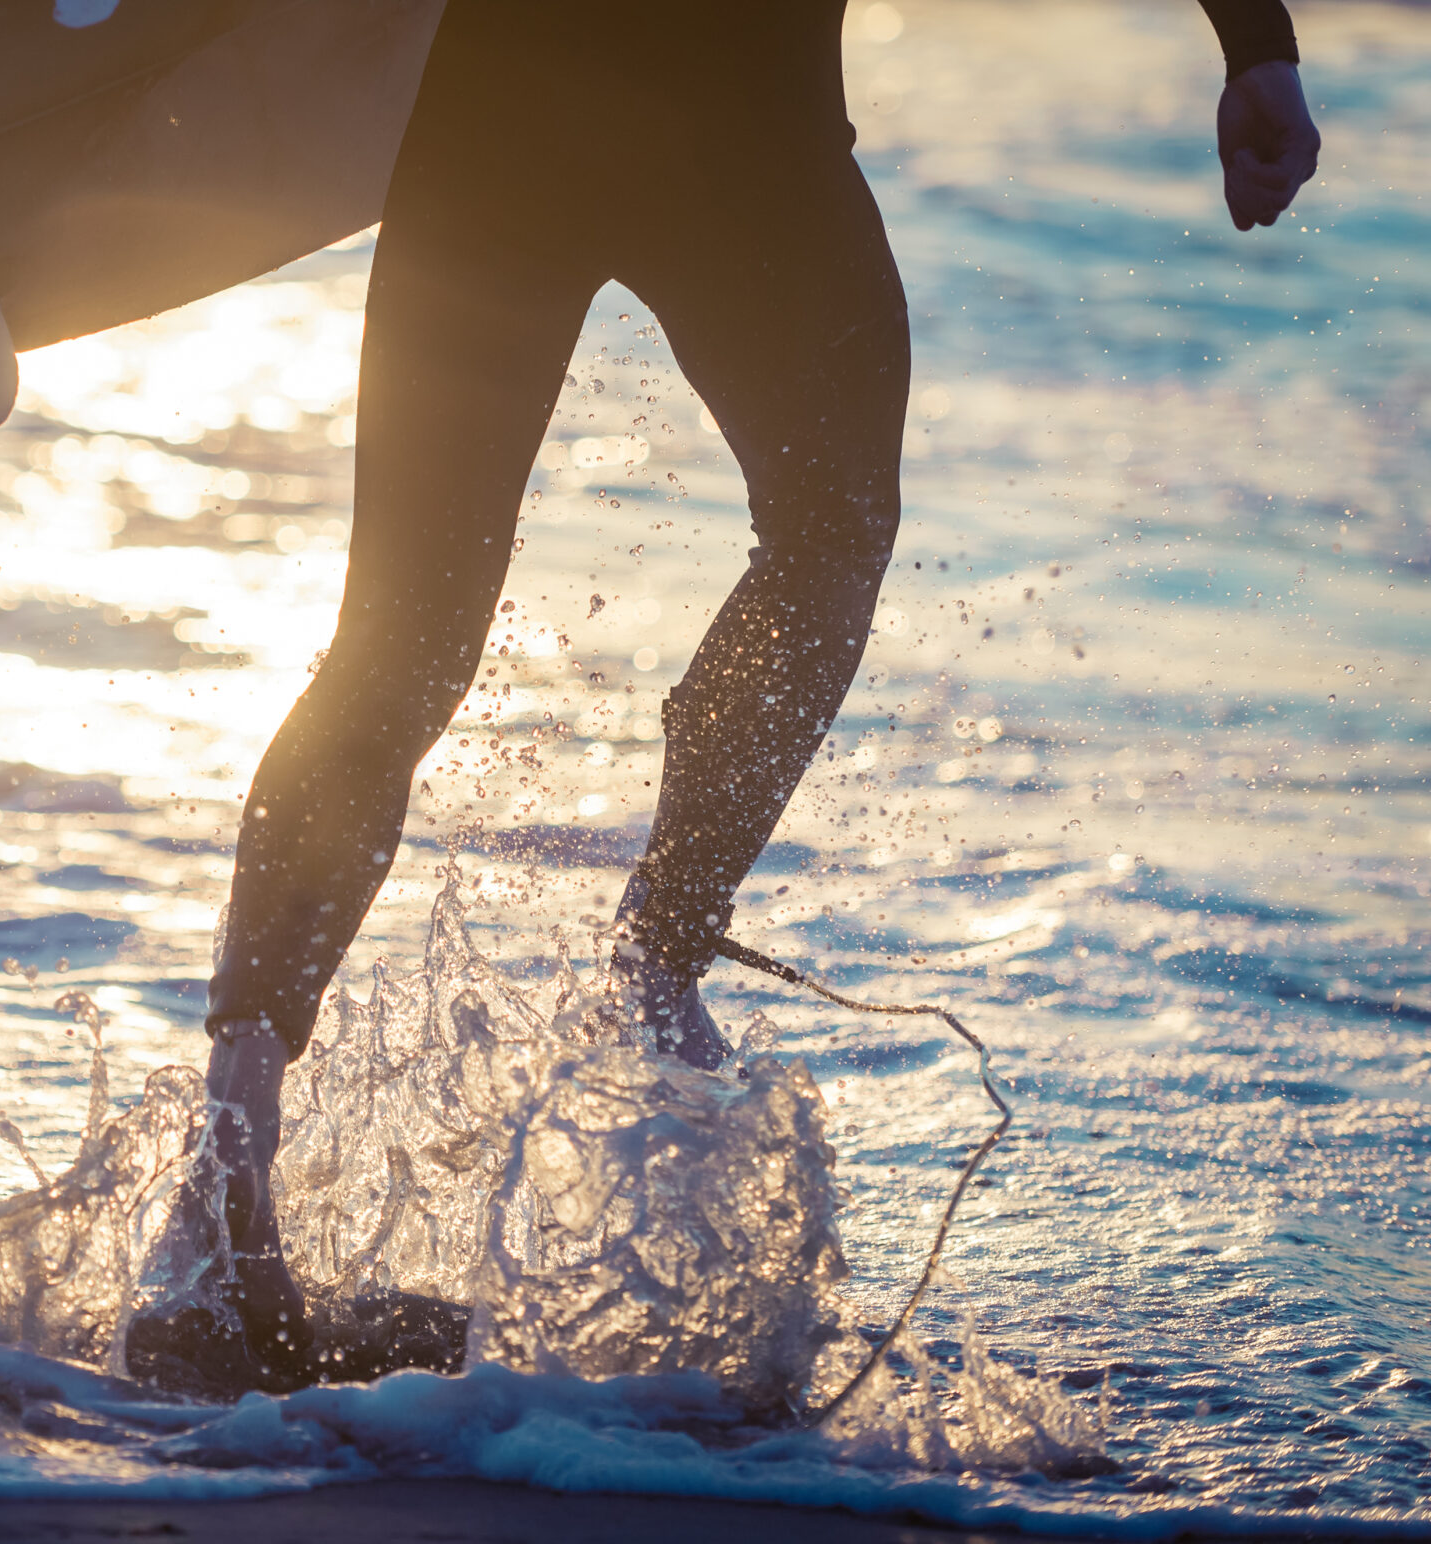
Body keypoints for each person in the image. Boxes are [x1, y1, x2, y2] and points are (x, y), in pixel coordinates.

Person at [133, 0, 1321, 1393]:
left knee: (410, 638)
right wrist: (1258, 47)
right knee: (816, 535)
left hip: (531, 124)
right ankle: (644, 968)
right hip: (713, 130)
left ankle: (233, 1160)